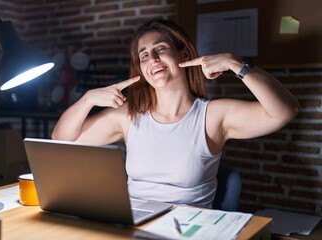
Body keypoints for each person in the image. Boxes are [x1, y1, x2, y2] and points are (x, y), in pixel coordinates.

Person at [52, 19, 300, 208]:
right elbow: (61, 142)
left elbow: (285, 111)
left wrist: (236, 64)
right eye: (144, 55)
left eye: (160, 48)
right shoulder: (128, 116)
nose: (153, 58)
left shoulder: (213, 115)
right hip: (131, 229)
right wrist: (86, 100)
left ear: (183, 55)